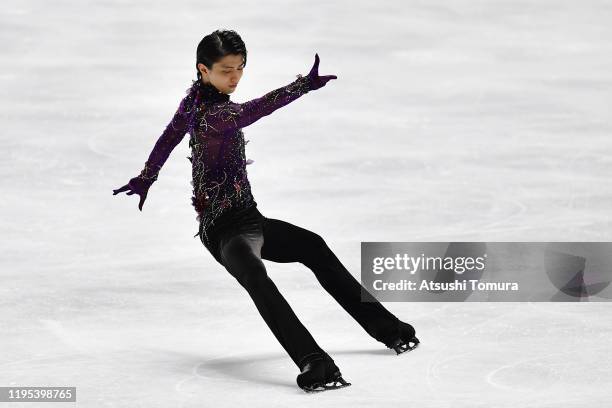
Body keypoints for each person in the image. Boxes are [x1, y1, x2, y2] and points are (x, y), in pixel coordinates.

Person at [113, 29, 419, 392]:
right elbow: (242, 113)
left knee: (313, 245)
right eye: (226, 69)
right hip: (223, 232)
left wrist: (147, 177)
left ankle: (390, 330)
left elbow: (169, 137)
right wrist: (301, 87)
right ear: (203, 70)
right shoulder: (210, 112)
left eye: (241, 67)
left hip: (250, 218)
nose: (235, 77)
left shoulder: (194, 101)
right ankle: (314, 362)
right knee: (257, 278)